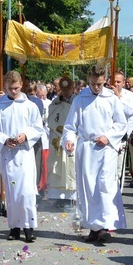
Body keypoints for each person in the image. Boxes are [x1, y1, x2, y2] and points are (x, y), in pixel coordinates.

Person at [63, 65, 128, 243]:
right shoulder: (80, 99)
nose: (96, 87)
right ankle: (93, 226)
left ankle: (105, 226)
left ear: (105, 80)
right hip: (86, 147)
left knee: (104, 186)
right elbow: (70, 126)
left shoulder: (111, 99)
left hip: (106, 149)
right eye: (92, 83)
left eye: (99, 84)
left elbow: (121, 124)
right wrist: (69, 139)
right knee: (88, 188)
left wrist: (108, 137)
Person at [0, 71, 44, 243]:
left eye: (16, 88)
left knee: (26, 192)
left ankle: (29, 227)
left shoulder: (30, 106)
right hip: (8, 154)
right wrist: (4, 140)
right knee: (11, 192)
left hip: (24, 153)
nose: (13, 91)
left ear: (21, 85)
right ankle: (14, 227)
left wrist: (25, 135)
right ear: (5, 87)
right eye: (10, 88)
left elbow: (38, 127)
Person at [46, 76, 77, 206]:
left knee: (70, 165)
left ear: (72, 88)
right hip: (57, 137)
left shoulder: (77, 101)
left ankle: (72, 196)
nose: (65, 93)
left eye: (68, 90)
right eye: (63, 90)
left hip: (71, 137)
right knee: (56, 165)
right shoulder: (55, 102)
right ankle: (57, 196)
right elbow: (51, 116)